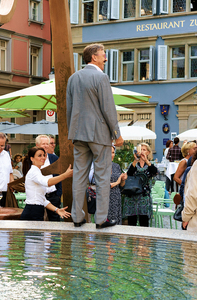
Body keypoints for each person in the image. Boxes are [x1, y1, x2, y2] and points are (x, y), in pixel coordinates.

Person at [66, 43, 124, 229]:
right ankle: (101, 219)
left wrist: (72, 131)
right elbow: (108, 108)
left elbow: (69, 108)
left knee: (80, 176)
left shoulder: (73, 78)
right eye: (103, 55)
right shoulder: (101, 77)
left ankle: (77, 217)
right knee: (102, 176)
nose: (105, 58)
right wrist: (117, 134)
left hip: (78, 133)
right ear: (94, 57)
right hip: (98, 134)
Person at [20, 147, 72, 221]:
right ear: (32, 159)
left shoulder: (37, 172)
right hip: (32, 212)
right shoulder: (33, 172)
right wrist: (65, 175)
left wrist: (57, 210)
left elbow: (42, 200)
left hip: (36, 211)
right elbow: (48, 183)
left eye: (44, 155)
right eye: (39, 155)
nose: (43, 157)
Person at [88, 145, 127, 224]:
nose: (111, 155)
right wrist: (118, 181)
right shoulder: (99, 166)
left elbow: (122, 186)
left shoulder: (116, 166)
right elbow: (104, 185)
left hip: (116, 199)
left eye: (112, 152)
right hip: (104, 199)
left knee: (116, 226)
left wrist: (123, 180)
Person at [123, 143, 158, 227]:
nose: (142, 151)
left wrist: (146, 160)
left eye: (144, 150)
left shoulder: (150, 164)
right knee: (132, 224)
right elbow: (129, 174)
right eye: (140, 149)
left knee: (144, 223)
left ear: (148, 152)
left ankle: (144, 240)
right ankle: (133, 240)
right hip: (132, 197)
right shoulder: (134, 164)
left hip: (144, 197)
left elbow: (155, 172)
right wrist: (135, 160)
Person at [35, 135, 62, 221]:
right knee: (38, 221)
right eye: (43, 144)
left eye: (47, 144)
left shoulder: (54, 158)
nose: (46, 146)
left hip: (53, 196)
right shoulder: (32, 159)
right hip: (39, 196)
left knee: (55, 223)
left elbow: (59, 176)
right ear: (37, 145)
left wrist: (58, 195)